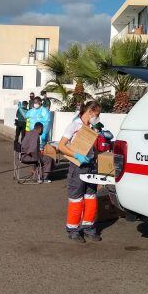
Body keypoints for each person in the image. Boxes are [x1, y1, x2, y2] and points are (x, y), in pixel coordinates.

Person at [57, 101, 102, 243]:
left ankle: (88, 228)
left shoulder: (92, 127)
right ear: (90, 112)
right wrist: (76, 155)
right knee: (76, 199)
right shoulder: (74, 125)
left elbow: (93, 148)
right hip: (77, 167)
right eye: (97, 114)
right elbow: (61, 146)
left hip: (90, 165)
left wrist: (95, 157)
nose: (98, 117)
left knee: (91, 197)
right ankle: (73, 230)